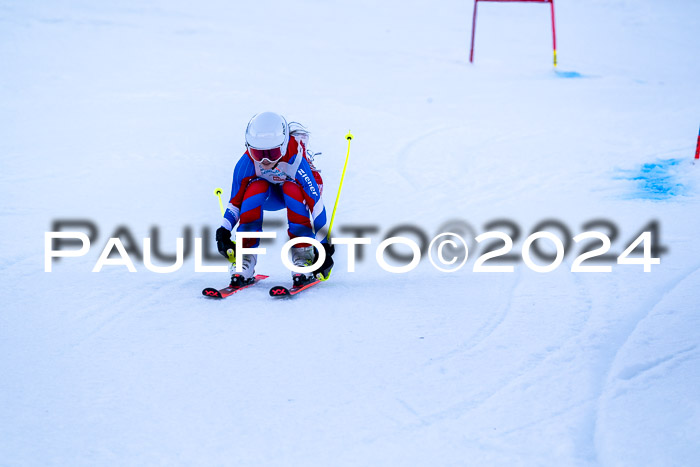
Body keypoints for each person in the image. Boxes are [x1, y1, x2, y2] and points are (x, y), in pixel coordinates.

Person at [215, 112, 334, 286]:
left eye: (272, 153)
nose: (264, 160)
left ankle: (303, 255)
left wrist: (324, 245)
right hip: (270, 194)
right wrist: (223, 231)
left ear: (284, 145)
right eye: (257, 153)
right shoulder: (247, 162)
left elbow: (315, 204)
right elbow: (235, 202)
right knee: (255, 186)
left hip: (296, 192)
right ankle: (245, 257)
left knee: (291, 188)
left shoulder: (295, 159)